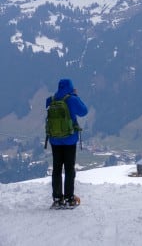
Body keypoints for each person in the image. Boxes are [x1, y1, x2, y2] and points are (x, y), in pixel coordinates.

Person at [46, 79, 88, 208]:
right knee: (69, 169)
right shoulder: (71, 99)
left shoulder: (51, 99)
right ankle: (70, 199)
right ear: (71, 87)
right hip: (69, 139)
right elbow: (84, 111)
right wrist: (75, 95)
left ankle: (58, 199)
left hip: (54, 140)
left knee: (57, 168)